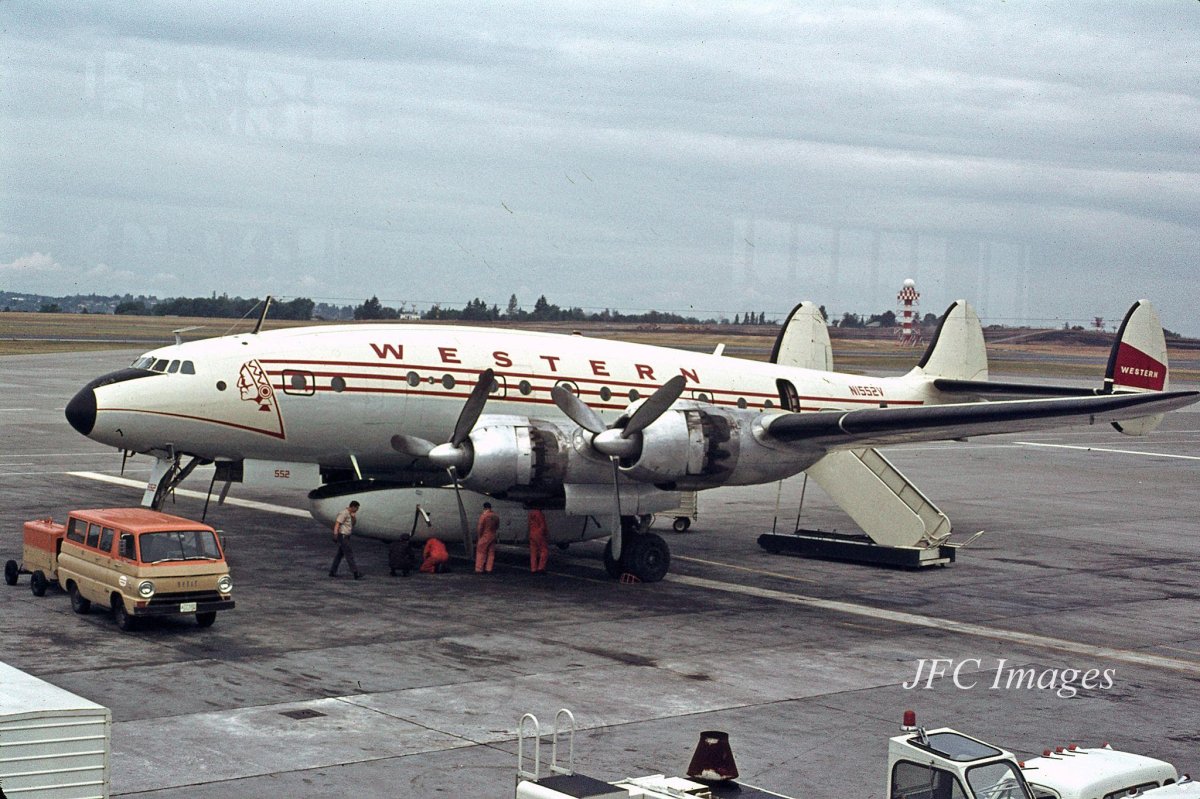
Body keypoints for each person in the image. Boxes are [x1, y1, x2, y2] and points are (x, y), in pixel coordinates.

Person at [329, 500, 363, 579]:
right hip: (343, 536)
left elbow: (353, 524)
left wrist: (353, 517)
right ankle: (355, 572)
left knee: (339, 555)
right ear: (353, 507)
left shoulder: (350, 514)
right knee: (349, 554)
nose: (357, 510)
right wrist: (335, 534)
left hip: (347, 536)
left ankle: (332, 571)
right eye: (357, 508)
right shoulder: (343, 513)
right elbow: (337, 524)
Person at [475, 502, 499, 573]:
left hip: (485, 535)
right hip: (493, 535)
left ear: (484, 508)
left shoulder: (484, 516)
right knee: (491, 553)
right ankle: (489, 568)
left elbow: (480, 527)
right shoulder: (495, 516)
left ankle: (479, 569)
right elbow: (497, 526)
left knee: (481, 552)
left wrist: (479, 536)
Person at [527, 508, 549, 574]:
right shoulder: (540, 514)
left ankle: (533, 569)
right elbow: (543, 525)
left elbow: (529, 524)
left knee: (533, 552)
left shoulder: (531, 513)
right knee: (544, 550)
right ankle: (541, 568)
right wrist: (546, 533)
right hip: (539, 534)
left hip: (532, 533)